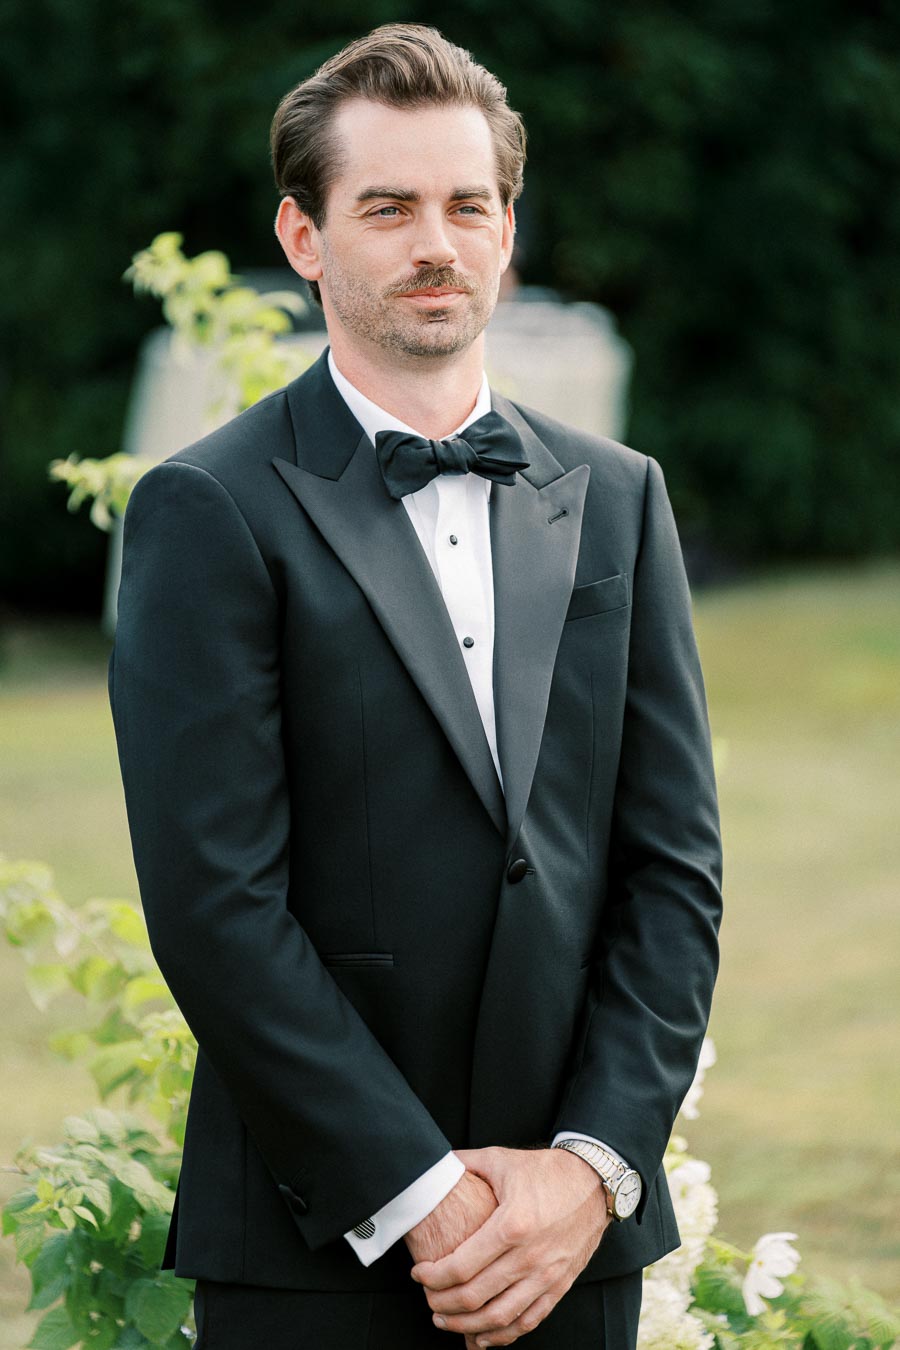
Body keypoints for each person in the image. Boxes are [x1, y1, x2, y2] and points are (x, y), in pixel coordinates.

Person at [109, 23, 722, 1350]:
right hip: (315, 1243)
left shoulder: (619, 497)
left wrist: (588, 1170)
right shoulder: (207, 508)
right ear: (304, 237)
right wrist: (425, 1193)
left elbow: (673, 869)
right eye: (386, 206)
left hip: (574, 1246)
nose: (435, 241)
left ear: (507, 226)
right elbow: (215, 903)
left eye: (468, 203)